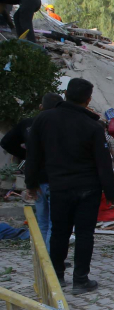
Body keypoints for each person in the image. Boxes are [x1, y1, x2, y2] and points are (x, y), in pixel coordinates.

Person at [24, 79, 114, 294]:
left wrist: (31, 183)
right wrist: (111, 193)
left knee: (59, 232)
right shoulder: (93, 125)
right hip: (88, 188)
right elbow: (103, 163)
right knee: (84, 234)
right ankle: (80, 279)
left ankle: (56, 276)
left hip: (59, 186)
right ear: (88, 99)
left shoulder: (43, 119)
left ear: (65, 94)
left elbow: (33, 155)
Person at [3, 94, 62, 249]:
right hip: (58, 179)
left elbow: (6, 142)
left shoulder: (29, 124)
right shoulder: (64, 125)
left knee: (42, 221)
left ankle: (43, 258)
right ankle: (52, 258)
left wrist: (26, 155)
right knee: (55, 223)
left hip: (38, 180)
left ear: (41, 107)